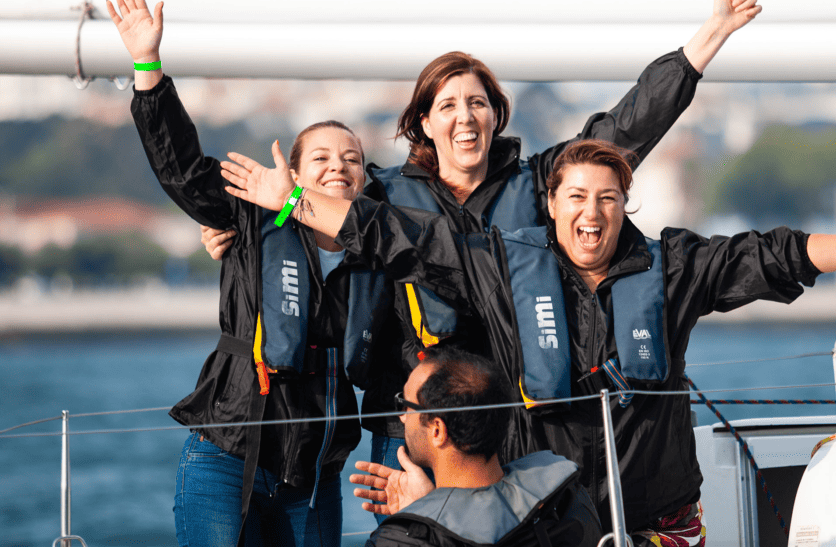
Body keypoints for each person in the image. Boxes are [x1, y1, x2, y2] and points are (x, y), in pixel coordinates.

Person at [219, 138, 836, 546]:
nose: (592, 211)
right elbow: (397, 235)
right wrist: (289, 200)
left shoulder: (672, 267)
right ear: (551, 204)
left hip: (664, 521)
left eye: (607, 197)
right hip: (551, 524)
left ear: (624, 205)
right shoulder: (500, 266)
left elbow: (773, 255)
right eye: (575, 195)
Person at [203, 2, 764, 517]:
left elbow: (624, 129)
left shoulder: (542, 184)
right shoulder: (382, 194)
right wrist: (238, 233)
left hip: (515, 412)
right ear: (424, 123)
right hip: (420, 417)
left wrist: (707, 38)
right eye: (448, 105)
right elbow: (325, 214)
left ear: (496, 115)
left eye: (477, 103)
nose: (465, 117)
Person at [108, 1, 391, 545]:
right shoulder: (252, 218)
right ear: (293, 174)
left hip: (315, 478)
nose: (339, 166)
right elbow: (183, 169)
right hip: (225, 457)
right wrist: (148, 65)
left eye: (352, 158)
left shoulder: (379, 249)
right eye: (323, 158)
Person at [349, 347, 604, 547]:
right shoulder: (566, 499)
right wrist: (430, 508)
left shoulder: (400, 540)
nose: (402, 417)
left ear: (438, 431)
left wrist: (419, 524)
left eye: (405, 405)